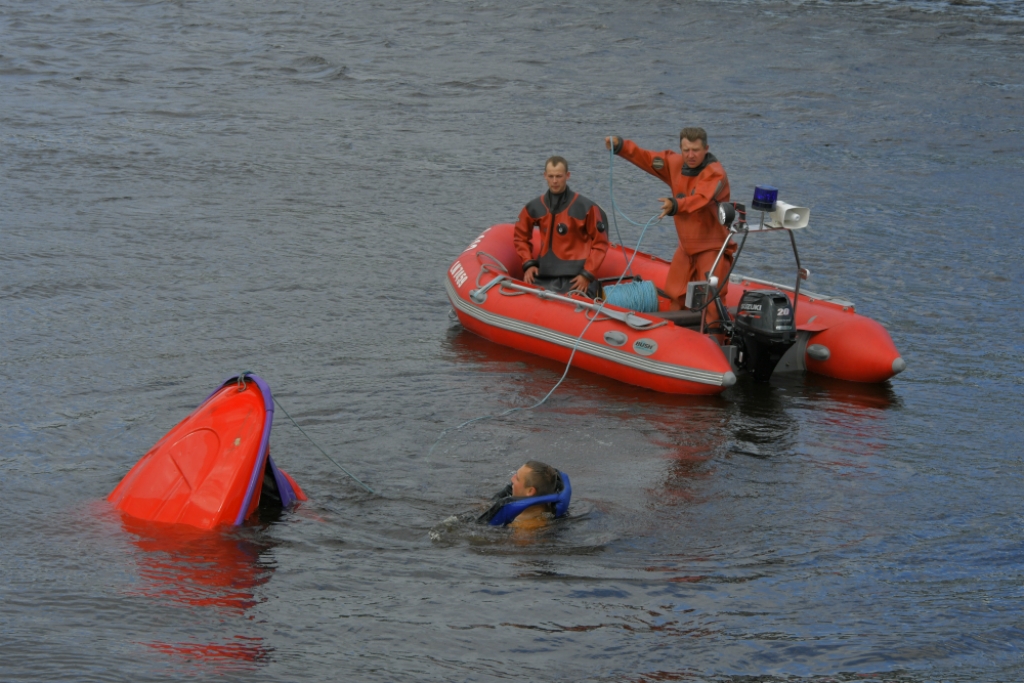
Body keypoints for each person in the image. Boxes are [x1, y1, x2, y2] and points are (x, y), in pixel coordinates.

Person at [605, 129, 736, 330]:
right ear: (680, 149)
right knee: (675, 294)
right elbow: (647, 158)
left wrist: (675, 205)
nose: (690, 155)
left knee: (712, 302)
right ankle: (678, 341)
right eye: (686, 150)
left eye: (696, 150)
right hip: (686, 248)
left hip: (712, 249)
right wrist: (621, 146)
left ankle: (717, 342)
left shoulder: (715, 174)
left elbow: (700, 199)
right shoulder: (674, 164)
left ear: (706, 149)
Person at [513, 156, 610, 297]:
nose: (554, 181)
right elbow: (520, 237)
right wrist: (528, 264)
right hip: (544, 276)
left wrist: (587, 274)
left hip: (577, 277)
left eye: (559, 176)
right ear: (545, 176)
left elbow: (600, 244)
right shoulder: (534, 207)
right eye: (551, 176)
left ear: (567, 176)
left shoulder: (586, 208)